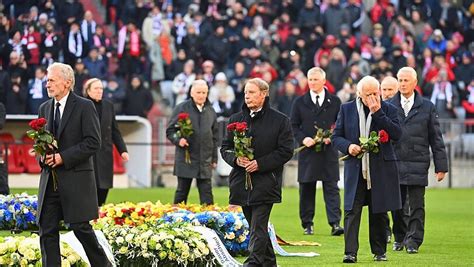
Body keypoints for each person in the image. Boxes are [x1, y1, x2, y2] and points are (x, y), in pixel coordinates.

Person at [37, 63, 111, 266]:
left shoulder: (85, 106)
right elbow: (40, 144)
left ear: (67, 82)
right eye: (47, 80)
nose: (47, 84)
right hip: (50, 181)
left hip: (76, 179)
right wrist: (42, 158)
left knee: (81, 228)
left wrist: (63, 157)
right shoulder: (44, 108)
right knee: (47, 229)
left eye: (51, 79)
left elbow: (93, 142)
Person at [221, 78, 294, 266]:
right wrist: (236, 160)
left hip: (266, 183)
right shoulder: (235, 119)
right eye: (246, 92)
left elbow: (286, 151)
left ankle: (252, 263)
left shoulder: (280, 120)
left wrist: (259, 164)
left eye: (252, 92)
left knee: (258, 227)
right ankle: (270, 263)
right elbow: (225, 148)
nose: (247, 96)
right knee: (256, 227)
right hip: (241, 183)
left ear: (264, 94)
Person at [332, 75, 402, 263]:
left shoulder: (389, 109)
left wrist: (378, 113)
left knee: (378, 211)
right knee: (351, 211)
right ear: (359, 94)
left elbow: (397, 134)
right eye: (368, 94)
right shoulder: (346, 109)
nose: (372, 97)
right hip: (355, 169)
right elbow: (336, 136)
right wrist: (348, 147)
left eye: (375, 93)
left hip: (380, 170)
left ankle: (379, 251)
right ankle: (350, 253)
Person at [388, 67, 448, 253]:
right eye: (400, 80)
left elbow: (436, 138)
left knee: (417, 206)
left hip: (418, 162)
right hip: (394, 162)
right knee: (397, 206)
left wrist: (441, 167)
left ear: (415, 83)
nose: (403, 84)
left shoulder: (428, 107)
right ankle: (399, 237)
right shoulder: (389, 106)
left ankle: (413, 241)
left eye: (406, 80)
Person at [290, 67, 344, 236]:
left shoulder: (335, 101)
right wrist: (303, 139)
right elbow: (293, 125)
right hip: (308, 152)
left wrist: (332, 137)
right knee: (306, 188)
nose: (312, 82)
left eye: (315, 79)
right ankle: (307, 224)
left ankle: (335, 224)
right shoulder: (299, 102)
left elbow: (340, 124)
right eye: (310, 79)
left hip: (328, 152)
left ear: (323, 81)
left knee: (331, 187)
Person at [166, 80, 218, 205]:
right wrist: (179, 140)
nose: (201, 95)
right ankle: (176, 220)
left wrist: (214, 158)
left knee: (207, 195)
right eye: (198, 92)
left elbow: (214, 137)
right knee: (181, 193)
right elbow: (170, 130)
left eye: (204, 92)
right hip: (186, 158)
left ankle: (209, 221)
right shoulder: (182, 108)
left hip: (205, 160)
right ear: (192, 93)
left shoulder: (211, 111)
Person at [83, 78, 129, 206]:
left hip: (105, 151)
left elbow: (115, 130)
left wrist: (123, 150)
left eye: (101, 89)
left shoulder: (109, 105)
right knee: (89, 185)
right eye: (96, 89)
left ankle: (100, 211)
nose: (99, 91)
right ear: (88, 91)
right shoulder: (82, 105)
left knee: (104, 185)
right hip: (87, 152)